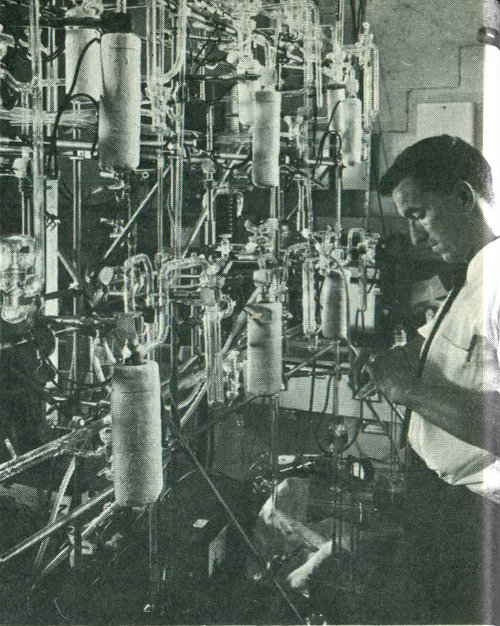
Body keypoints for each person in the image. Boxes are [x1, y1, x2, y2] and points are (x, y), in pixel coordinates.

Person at [352, 135, 500, 624]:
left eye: (419, 215)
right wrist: (394, 359)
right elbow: (454, 355)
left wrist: (409, 389)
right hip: (441, 503)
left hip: (476, 521)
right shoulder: (474, 277)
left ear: (463, 196)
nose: (415, 236)